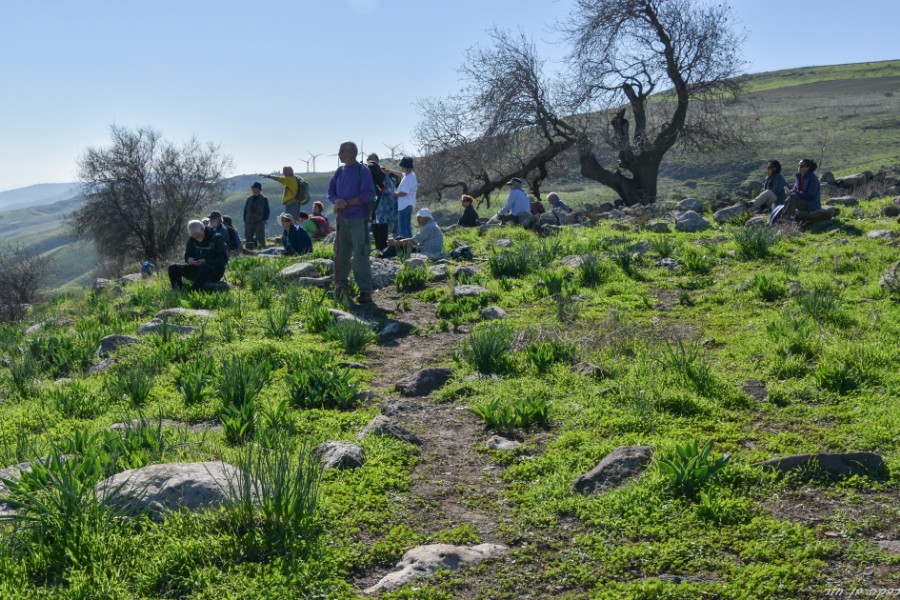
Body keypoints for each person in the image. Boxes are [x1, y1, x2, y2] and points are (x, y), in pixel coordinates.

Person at [328, 140, 375, 303]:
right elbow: (331, 192)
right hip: (342, 218)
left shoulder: (363, 171)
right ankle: (341, 286)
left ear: (352, 153)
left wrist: (346, 202)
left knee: (360, 253)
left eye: (342, 151)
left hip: (358, 218)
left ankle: (365, 291)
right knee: (341, 252)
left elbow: (368, 194)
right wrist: (336, 200)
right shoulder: (339, 171)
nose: (339, 154)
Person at [168, 220, 228, 290]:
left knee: (205, 267)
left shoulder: (216, 237)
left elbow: (223, 259)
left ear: (203, 229)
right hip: (197, 269)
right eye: (193, 236)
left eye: (198, 235)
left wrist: (206, 261)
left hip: (213, 271)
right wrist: (189, 260)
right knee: (173, 268)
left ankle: (193, 290)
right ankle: (179, 289)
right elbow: (187, 255)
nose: (196, 238)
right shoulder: (192, 239)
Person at [390, 156, 417, 239]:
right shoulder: (411, 175)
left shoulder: (407, 179)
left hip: (404, 206)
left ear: (405, 167)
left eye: (402, 166)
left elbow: (404, 192)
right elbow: (401, 174)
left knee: (402, 227)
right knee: (407, 227)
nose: (401, 168)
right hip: (410, 204)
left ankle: (406, 247)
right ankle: (410, 245)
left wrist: (395, 193)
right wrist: (390, 171)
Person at [243, 181, 270, 249]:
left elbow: (267, 211)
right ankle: (249, 253)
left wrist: (264, 219)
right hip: (249, 222)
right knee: (248, 239)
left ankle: (263, 253)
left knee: (261, 239)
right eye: (253, 188)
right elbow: (245, 211)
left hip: (259, 222)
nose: (253, 190)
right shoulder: (249, 199)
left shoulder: (264, 199)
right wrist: (245, 220)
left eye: (254, 188)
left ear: (259, 189)